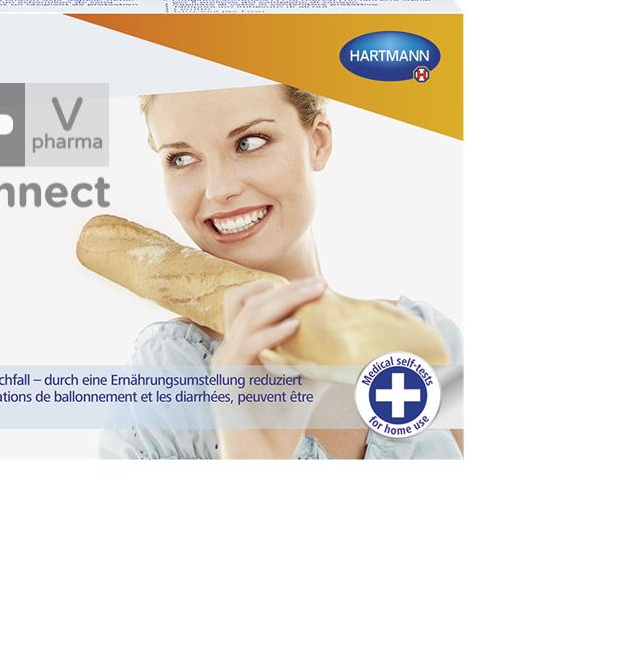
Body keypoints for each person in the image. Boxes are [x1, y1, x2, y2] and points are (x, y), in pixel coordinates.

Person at [100, 84, 462, 460]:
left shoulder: (429, 337)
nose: (219, 189)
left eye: (250, 142)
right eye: (181, 158)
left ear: (318, 142)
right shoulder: (165, 378)